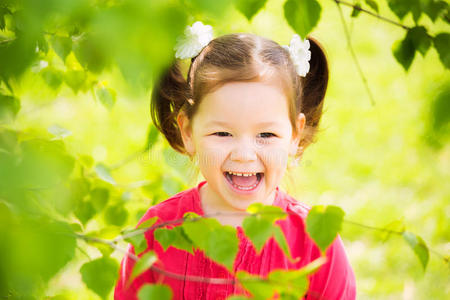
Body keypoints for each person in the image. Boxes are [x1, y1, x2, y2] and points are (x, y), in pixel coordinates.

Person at [114, 21, 356, 300]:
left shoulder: (314, 241)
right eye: (223, 133)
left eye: (266, 134)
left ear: (294, 135)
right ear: (188, 132)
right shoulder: (159, 231)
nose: (243, 154)